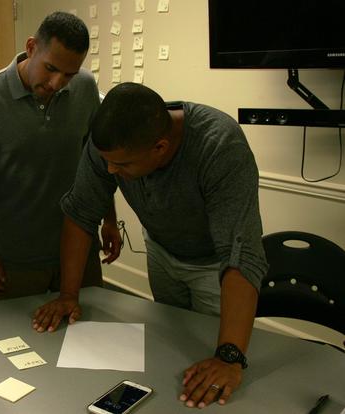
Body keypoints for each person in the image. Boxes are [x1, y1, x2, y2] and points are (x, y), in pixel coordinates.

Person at [33, 83, 268, 408]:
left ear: (160, 147)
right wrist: (68, 295)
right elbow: (80, 212)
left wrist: (229, 357)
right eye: (109, 163)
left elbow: (239, 251)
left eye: (123, 166)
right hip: (161, 250)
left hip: (215, 266)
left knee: (215, 373)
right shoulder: (111, 145)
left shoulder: (219, 144)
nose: (111, 171)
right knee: (172, 349)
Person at [0, 11, 121, 299]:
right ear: (31, 48)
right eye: (50, 68)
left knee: (87, 335)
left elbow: (96, 157)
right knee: (17, 340)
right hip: (16, 258)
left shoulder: (84, 87)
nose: (57, 83)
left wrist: (109, 218)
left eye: (69, 74)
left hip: (79, 246)